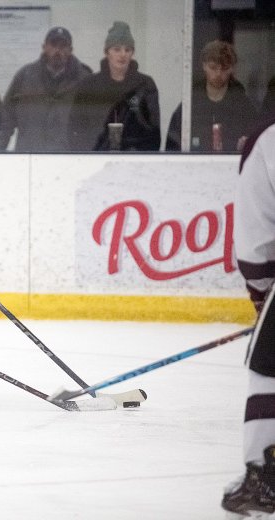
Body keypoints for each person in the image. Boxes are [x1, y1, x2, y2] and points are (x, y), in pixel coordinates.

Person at [224, 116, 275, 516]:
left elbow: (255, 233)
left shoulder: (268, 138)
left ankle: (266, 476)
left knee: (268, 363)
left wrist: (262, 295)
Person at [68, 21, 160, 151]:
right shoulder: (89, 85)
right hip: (95, 157)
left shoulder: (145, 85)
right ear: (107, 52)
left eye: (127, 50)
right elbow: (75, 128)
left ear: (132, 53)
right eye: (117, 49)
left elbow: (153, 133)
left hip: (134, 159)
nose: (122, 54)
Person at [0, 26, 91, 152]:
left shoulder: (84, 80)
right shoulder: (25, 76)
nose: (57, 50)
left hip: (69, 157)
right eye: (53, 45)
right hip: (30, 156)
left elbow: (92, 124)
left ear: (70, 50)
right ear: (44, 47)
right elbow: (6, 118)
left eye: (63, 46)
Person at [165, 40, 258, 152]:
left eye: (224, 68)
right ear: (204, 65)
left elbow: (257, 145)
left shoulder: (244, 107)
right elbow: (172, 148)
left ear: (232, 68)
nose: (218, 74)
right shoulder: (189, 105)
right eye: (213, 67)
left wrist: (245, 148)